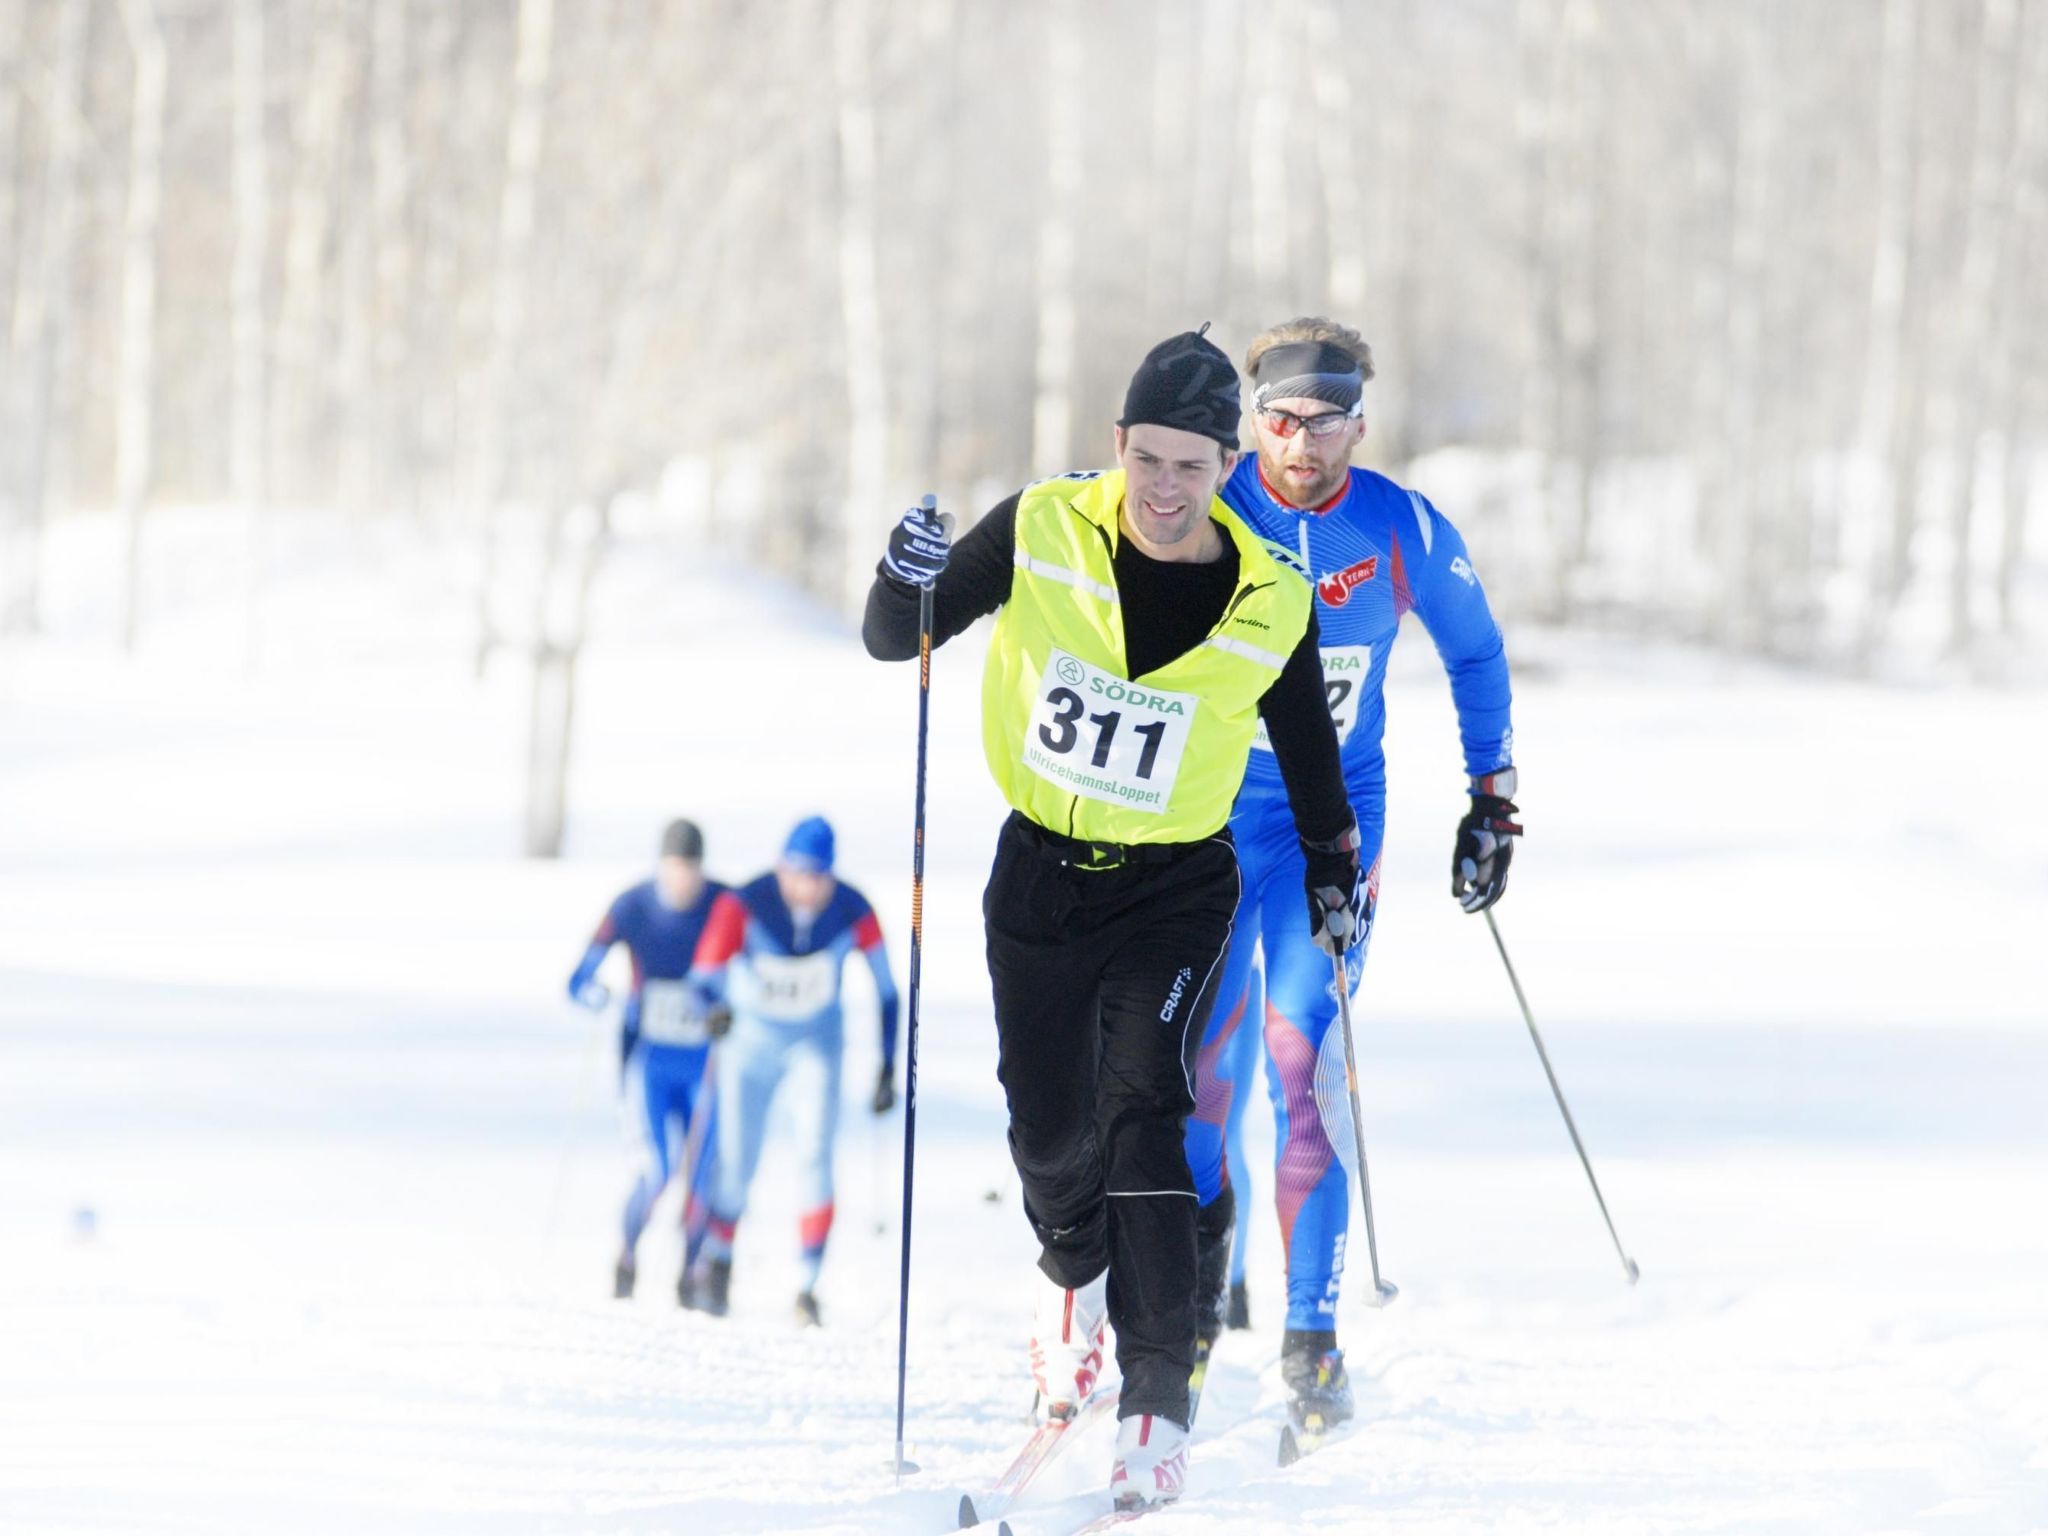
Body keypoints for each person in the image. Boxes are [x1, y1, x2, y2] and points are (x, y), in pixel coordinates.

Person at [861, 327, 1365, 1513]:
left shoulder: (1267, 596)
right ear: (1118, 447)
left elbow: (1309, 757)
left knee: (1145, 1109)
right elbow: (898, 637)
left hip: (1172, 891)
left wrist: (1335, 868)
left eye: (1192, 466)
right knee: (1046, 1134)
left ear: (1225, 464)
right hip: (1038, 876)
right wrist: (902, 570)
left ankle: (1153, 1404)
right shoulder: (1040, 529)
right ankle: (1069, 1280)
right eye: (1147, 459)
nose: (1165, 488)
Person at [1183, 316, 1520, 1436]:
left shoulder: (1400, 526)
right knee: (1197, 1065)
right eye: (1279, 422)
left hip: (1329, 831)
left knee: (1303, 1060)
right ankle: (1190, 1303)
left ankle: (1311, 1341)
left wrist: (1491, 797)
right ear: (1251, 421)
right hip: (1203, 819)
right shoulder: (1207, 504)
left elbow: (1473, 650)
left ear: (1356, 426)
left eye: (1325, 425)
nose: (1301, 445)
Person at [686, 816, 899, 1327]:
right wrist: (712, 1009)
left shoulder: (853, 909)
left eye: (818, 877)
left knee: (816, 1157)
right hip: (751, 1048)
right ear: (781, 867)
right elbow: (701, 978)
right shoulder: (745, 903)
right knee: (738, 1161)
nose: (807, 888)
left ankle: (807, 1285)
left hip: (815, 1046)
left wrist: (888, 1064)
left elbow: (888, 990)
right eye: (798, 873)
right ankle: (717, 1259)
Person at [566, 818, 731, 1304]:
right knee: (656, 1170)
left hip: (705, 1063)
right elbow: (578, 977)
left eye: (691, 870)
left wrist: (729, 1008)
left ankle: (689, 1271)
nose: (683, 881)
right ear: (662, 866)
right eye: (675, 869)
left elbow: (753, 963)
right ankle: (627, 1256)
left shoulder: (723, 905)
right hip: (649, 1062)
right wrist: (597, 994)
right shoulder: (632, 905)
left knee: (702, 1172)